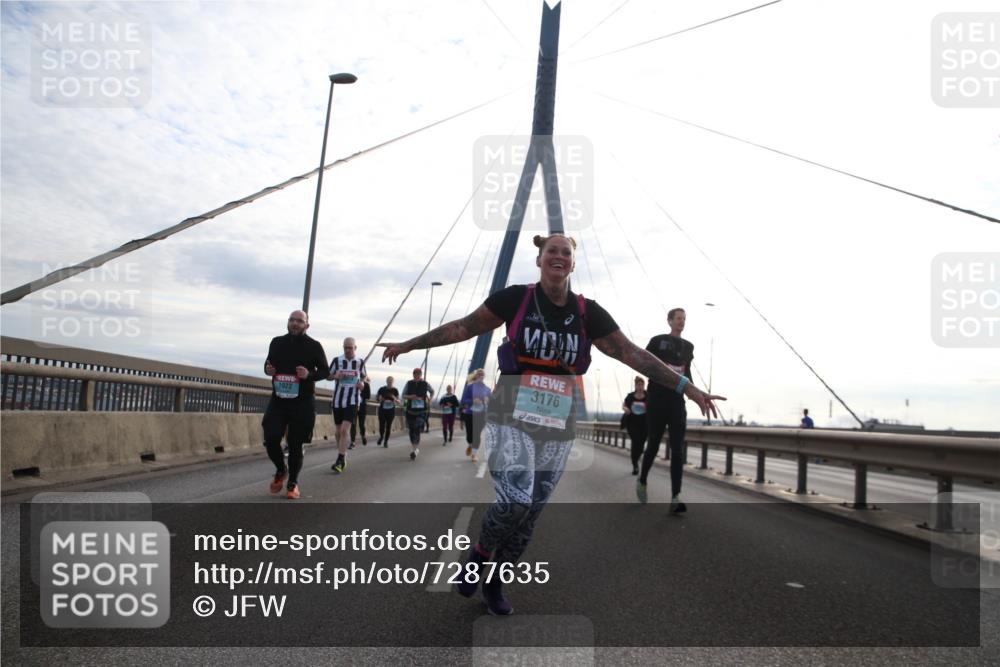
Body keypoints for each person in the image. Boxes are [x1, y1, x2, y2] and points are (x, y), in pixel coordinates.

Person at [379, 234, 724, 615]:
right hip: (511, 413)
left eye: (566, 253)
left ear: (573, 264)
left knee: (532, 510)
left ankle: (496, 582)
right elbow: (463, 328)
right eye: (552, 251)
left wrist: (687, 387)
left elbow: (631, 354)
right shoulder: (515, 299)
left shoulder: (587, 312)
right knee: (516, 499)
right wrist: (409, 345)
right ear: (540, 259)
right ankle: (478, 556)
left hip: (558, 421)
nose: (559, 257)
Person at [262, 310, 329, 500]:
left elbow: (325, 371)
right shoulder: (277, 342)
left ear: (307, 325)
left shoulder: (314, 346)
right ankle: (281, 469)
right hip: (279, 400)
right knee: (271, 437)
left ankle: (293, 483)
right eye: (292, 320)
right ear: (288, 322)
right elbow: (268, 365)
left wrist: (309, 375)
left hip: (303, 402)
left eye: (300, 321)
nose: (295, 323)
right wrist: (268, 369)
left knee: (295, 444)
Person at [637, 307, 697, 514]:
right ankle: (643, 480)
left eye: (684, 319)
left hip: (677, 402)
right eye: (678, 318)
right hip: (657, 400)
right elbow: (644, 363)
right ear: (669, 321)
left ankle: (675, 497)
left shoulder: (688, 347)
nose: (681, 322)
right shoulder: (657, 341)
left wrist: (694, 393)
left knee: (678, 449)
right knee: (653, 443)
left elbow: (687, 373)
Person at [327, 337, 367, 473]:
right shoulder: (337, 360)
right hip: (338, 400)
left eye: (350, 347)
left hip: (353, 400)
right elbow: (327, 375)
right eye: (345, 347)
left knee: (344, 430)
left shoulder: (360, 362)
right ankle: (342, 456)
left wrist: (362, 384)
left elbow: (363, 377)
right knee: (338, 432)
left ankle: (340, 458)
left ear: (355, 348)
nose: (348, 350)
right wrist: (335, 376)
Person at [460, 368, 491, 462]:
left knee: (477, 434)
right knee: (470, 435)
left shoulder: (487, 389)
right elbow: (463, 400)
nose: (480, 375)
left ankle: (474, 454)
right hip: (470, 413)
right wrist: (472, 401)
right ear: (476, 376)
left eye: (482, 374)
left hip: (482, 414)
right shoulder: (470, 387)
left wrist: (488, 401)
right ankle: (470, 444)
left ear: (484, 376)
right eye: (479, 373)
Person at [401, 367, 432, 460]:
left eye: (419, 374)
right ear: (413, 374)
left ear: (421, 375)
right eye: (415, 373)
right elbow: (403, 395)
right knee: (411, 431)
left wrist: (430, 399)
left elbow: (432, 391)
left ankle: (415, 449)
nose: (417, 375)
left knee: (417, 427)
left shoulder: (425, 384)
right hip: (410, 411)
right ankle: (415, 449)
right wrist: (411, 397)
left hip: (421, 411)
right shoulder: (409, 383)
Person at [622, 376, 649, 475]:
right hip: (632, 423)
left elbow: (654, 406)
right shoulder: (630, 396)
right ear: (635, 386)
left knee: (641, 446)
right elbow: (624, 405)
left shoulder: (648, 396)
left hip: (644, 424)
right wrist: (626, 409)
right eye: (638, 385)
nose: (640, 387)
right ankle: (635, 465)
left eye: (642, 385)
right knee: (635, 442)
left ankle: (636, 459)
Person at [376, 376, 400, 447]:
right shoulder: (382, 389)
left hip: (391, 410)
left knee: (388, 426)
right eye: (389, 381)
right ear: (386, 381)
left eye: (391, 381)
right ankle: (381, 437)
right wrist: (379, 398)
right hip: (382, 409)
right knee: (381, 425)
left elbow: (399, 402)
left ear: (393, 382)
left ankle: (386, 442)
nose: (390, 382)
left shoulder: (395, 390)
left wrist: (394, 398)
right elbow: (377, 398)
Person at [350, 378, 372, 446]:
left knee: (361, 424)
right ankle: (352, 441)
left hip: (362, 407)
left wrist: (360, 393)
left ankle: (363, 436)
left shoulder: (366, 385)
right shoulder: (353, 382)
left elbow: (368, 396)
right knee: (353, 424)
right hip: (353, 406)